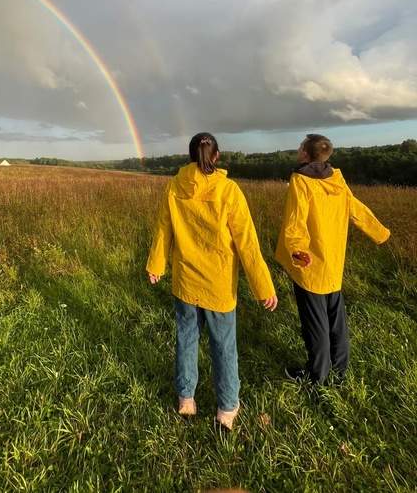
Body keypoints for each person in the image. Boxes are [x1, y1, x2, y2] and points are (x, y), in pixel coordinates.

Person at [146, 132, 277, 430]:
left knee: (187, 340)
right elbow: (248, 243)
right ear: (217, 156)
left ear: (191, 155)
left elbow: (163, 229)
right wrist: (263, 287)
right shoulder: (229, 190)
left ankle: (186, 399)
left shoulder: (174, 186)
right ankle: (227, 409)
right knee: (224, 347)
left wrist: (156, 265)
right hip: (218, 287)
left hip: (185, 282)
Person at [275, 134, 390, 384]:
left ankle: (317, 376)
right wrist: (380, 233)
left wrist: (296, 250)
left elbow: (295, 220)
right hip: (333, 263)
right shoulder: (337, 179)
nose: (297, 149)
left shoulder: (301, 181)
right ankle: (339, 371)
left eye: (300, 146)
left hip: (309, 264)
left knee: (315, 325)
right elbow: (356, 209)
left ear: (305, 153)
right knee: (335, 319)